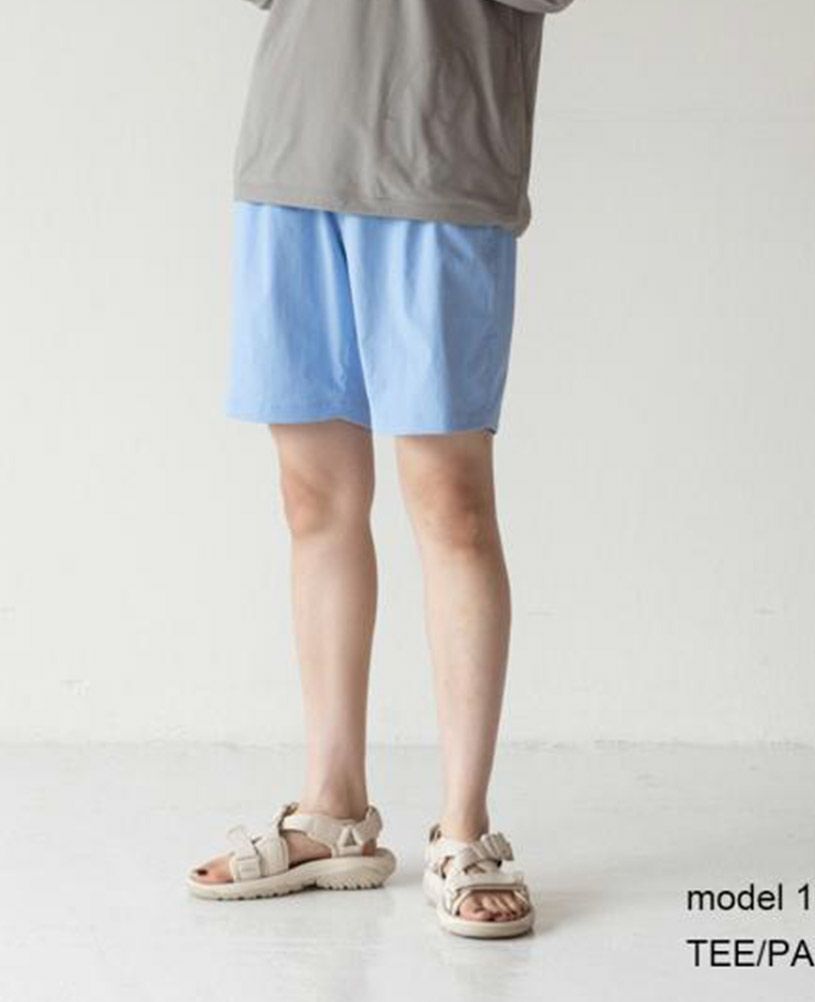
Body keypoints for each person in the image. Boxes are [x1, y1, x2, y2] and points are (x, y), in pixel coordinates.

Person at [186, 0, 577, 939]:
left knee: (451, 502)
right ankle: (333, 810)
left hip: (438, 163)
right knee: (312, 499)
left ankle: (466, 829)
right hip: (293, 152)